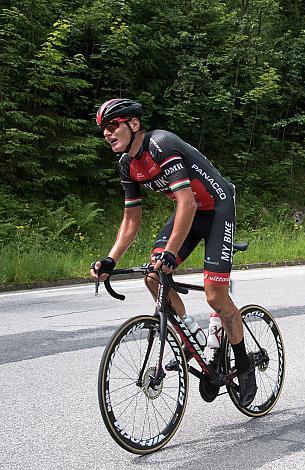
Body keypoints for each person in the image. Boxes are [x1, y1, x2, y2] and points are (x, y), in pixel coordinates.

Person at [89, 98, 256, 406]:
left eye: (112, 126)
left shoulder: (161, 145)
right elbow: (131, 219)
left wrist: (170, 252)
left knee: (215, 296)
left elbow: (188, 202)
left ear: (133, 124)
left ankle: (244, 365)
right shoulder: (128, 165)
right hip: (189, 212)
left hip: (216, 209)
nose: (107, 134)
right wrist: (111, 259)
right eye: (104, 130)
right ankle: (192, 335)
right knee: (153, 276)